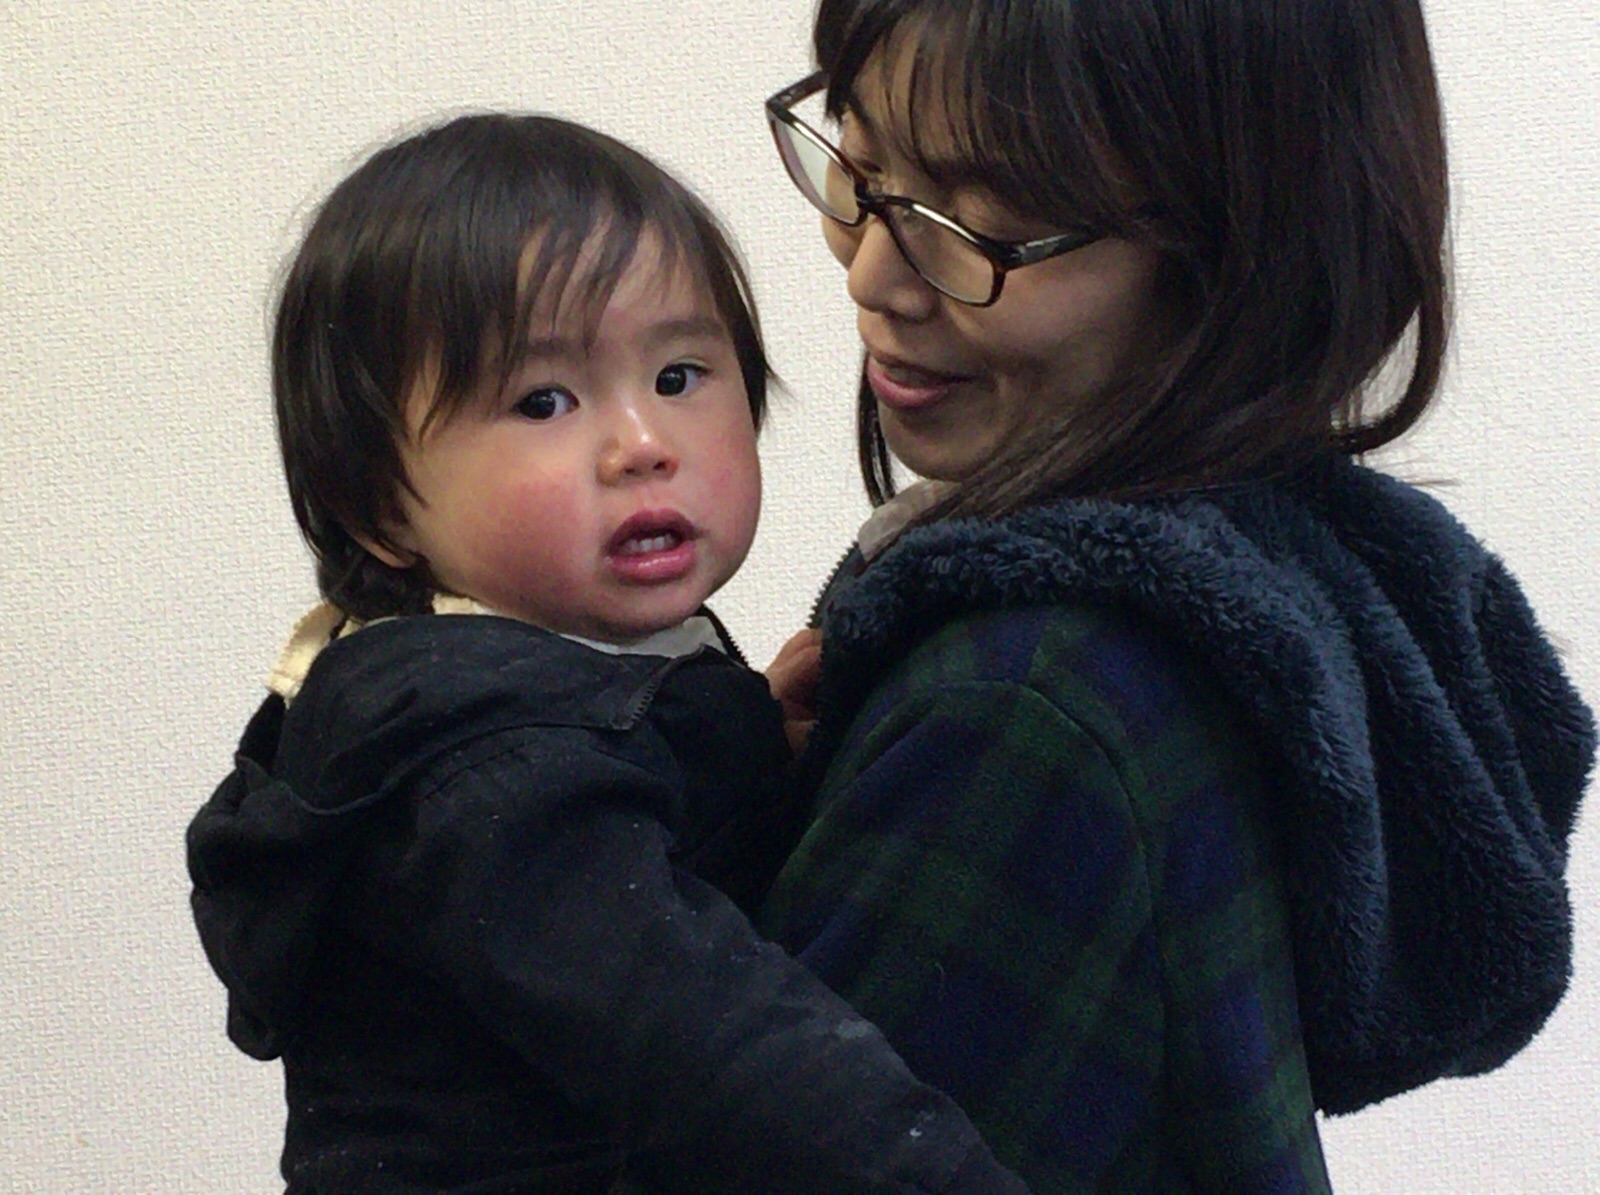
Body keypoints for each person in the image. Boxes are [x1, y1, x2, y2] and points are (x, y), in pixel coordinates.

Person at [754, 1, 1597, 1191]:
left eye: (987, 213)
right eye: (862, 160)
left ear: (1242, 251)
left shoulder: (1030, 707)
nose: (873, 271)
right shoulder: (1261, 590)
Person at [185, 112, 1029, 1194]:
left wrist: (738, 725)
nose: (641, 444)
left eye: (679, 375)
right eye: (543, 401)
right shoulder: (486, 772)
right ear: (377, 507)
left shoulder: (540, 667)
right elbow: (727, 1057)